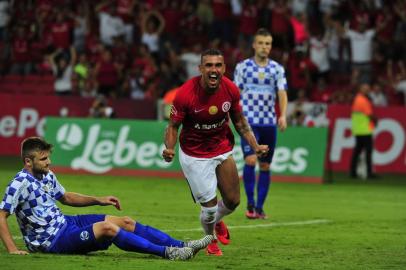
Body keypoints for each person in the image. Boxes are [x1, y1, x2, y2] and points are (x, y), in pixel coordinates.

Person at [0, 137, 213, 260]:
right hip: (50, 240)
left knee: (125, 222)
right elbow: (2, 216)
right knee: (107, 228)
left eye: (48, 157)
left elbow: (65, 197)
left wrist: (99, 199)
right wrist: (12, 249)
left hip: (65, 223)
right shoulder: (19, 184)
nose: (49, 162)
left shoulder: (47, 175)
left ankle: (185, 245)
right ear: (28, 161)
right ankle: (169, 253)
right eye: (44, 158)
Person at [162, 49, 269, 256]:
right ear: (201, 69)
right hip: (194, 154)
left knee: (233, 201)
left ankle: (217, 223)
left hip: (221, 147)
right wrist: (169, 148)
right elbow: (173, 126)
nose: (213, 70)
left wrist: (255, 146)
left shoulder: (230, 89)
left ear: (224, 68)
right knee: (209, 210)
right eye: (208, 65)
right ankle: (209, 239)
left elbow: (240, 122)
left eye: (218, 65)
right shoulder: (185, 94)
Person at [233, 28, 288, 219]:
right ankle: (249, 204)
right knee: (250, 159)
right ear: (254, 45)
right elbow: (235, 94)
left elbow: (282, 93)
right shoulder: (242, 67)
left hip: (268, 123)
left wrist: (283, 115)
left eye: (268, 44)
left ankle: (259, 207)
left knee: (265, 166)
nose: (265, 47)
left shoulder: (277, 69)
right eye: (261, 43)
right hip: (248, 122)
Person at [350, 83, 378, 179]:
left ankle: (353, 172)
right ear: (360, 89)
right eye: (365, 89)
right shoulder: (363, 100)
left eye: (368, 89)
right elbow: (369, 114)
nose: (367, 91)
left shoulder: (357, 99)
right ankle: (369, 173)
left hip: (358, 129)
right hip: (365, 130)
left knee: (357, 151)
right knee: (368, 152)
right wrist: (376, 120)